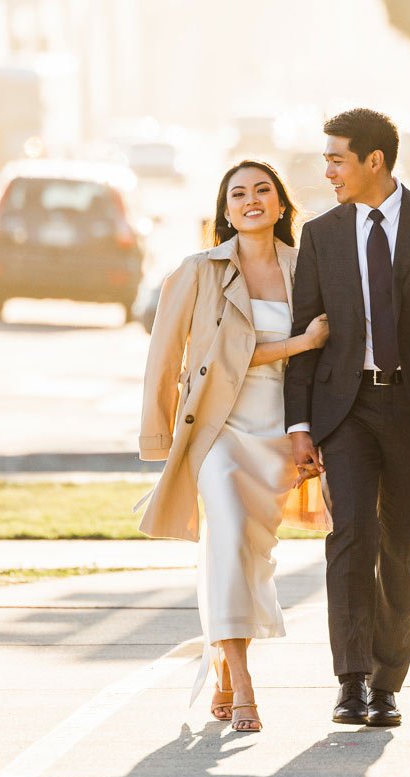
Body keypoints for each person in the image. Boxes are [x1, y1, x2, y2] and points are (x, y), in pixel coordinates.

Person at [284, 108, 410, 729]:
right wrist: (299, 424)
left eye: (337, 158)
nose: (328, 171)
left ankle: (388, 681)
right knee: (349, 538)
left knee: (399, 543)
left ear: (374, 161)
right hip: (345, 408)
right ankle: (351, 681)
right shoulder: (320, 235)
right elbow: (305, 334)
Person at [137, 160, 330, 734]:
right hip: (217, 430)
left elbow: (328, 361)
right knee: (223, 542)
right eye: (238, 194)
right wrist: (159, 433)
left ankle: (223, 663)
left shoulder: (308, 267)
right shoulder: (199, 271)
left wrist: (316, 430)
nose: (251, 200)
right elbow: (171, 358)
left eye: (262, 191)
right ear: (224, 211)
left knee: (252, 555)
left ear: (280, 204)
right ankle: (243, 683)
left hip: (282, 430)